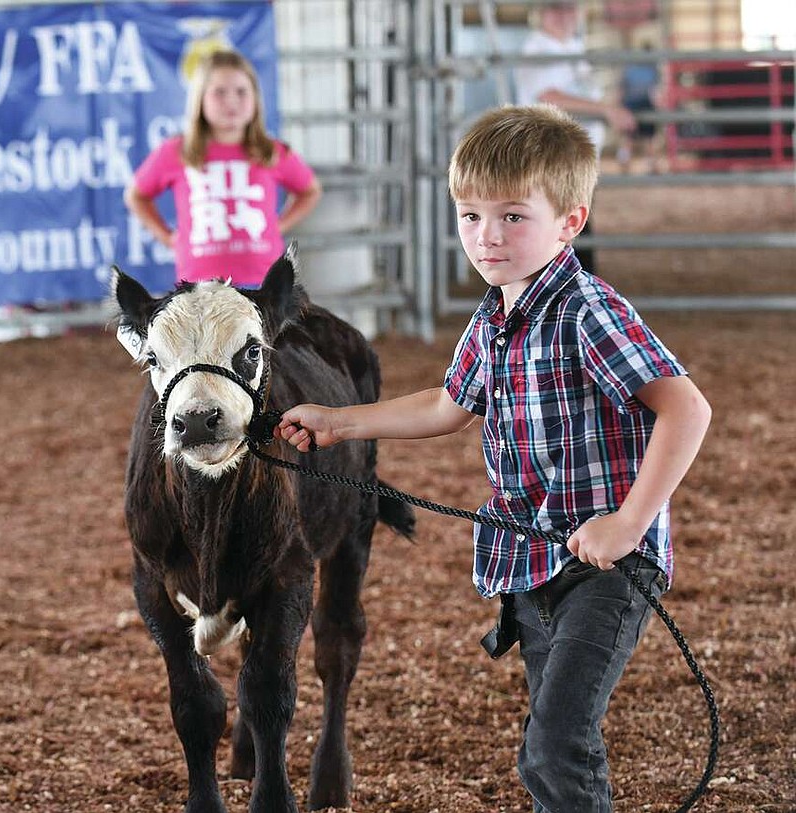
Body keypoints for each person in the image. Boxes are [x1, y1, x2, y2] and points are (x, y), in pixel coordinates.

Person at [276, 105, 712, 812]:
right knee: (555, 738)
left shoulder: (586, 309)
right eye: (471, 215)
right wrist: (336, 421)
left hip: (606, 566)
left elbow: (687, 408)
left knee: (555, 744)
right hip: (533, 561)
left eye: (513, 216)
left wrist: (629, 524)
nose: (487, 236)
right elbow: (448, 406)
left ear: (570, 221)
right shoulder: (493, 315)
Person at [124, 49, 322, 287]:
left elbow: (310, 191)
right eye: (219, 92)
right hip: (199, 285)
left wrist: (278, 225)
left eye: (241, 92)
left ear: (256, 99)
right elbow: (136, 195)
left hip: (263, 284)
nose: (231, 101)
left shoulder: (272, 151)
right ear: (200, 99)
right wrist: (168, 238)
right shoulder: (177, 151)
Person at [513, 0, 636, 273]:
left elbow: (579, 92)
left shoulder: (572, 47)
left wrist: (607, 106)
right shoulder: (538, 49)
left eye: (569, 9)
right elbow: (549, 96)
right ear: (541, 13)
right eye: (556, 9)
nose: (564, 16)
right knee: (563, 233)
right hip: (550, 157)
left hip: (573, 157)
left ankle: (575, 296)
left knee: (574, 230)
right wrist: (605, 109)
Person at [617, 44, 662, 173]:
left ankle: (624, 165)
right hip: (645, 104)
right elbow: (655, 92)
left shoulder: (629, 68)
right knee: (649, 138)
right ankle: (652, 166)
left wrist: (619, 106)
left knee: (628, 138)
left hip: (630, 104)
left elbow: (621, 89)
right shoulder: (653, 69)